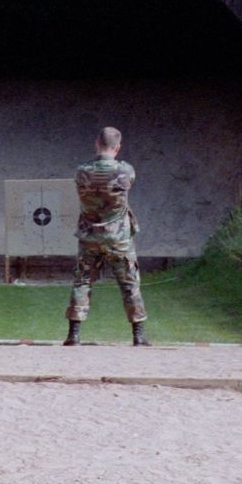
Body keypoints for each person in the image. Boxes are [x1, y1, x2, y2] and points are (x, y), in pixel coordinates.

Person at [64, 127, 150, 347]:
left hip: (89, 235)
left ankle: (73, 334)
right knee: (129, 282)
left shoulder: (82, 171)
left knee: (82, 281)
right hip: (119, 237)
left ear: (96, 143)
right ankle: (138, 336)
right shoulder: (125, 170)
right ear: (118, 147)